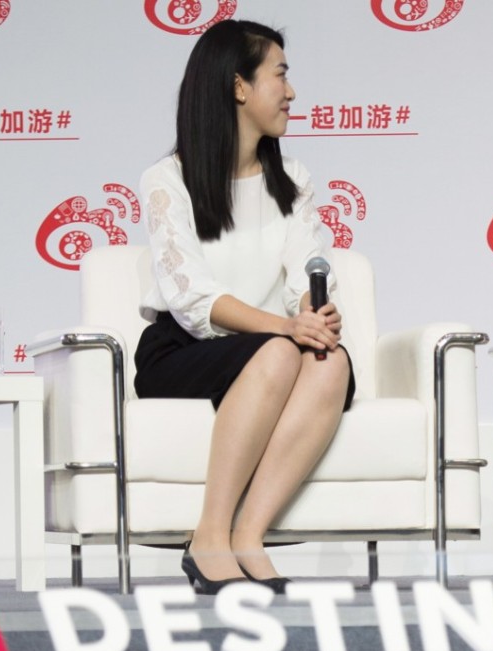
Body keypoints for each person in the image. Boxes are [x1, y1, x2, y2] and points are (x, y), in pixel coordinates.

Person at [134, 19, 354, 595]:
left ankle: (248, 536)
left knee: (330, 360)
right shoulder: (167, 180)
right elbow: (192, 298)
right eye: (280, 75)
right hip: (183, 351)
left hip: (270, 348)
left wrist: (313, 309)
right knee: (283, 352)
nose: (291, 91)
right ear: (238, 88)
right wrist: (287, 328)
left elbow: (307, 266)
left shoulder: (294, 181)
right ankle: (209, 537)